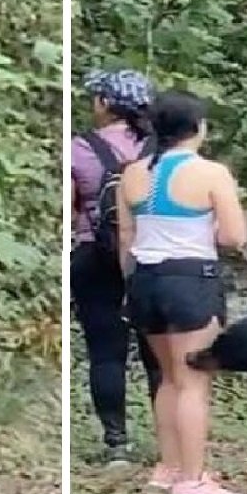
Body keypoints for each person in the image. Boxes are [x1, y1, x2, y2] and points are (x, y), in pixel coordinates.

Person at [117, 90, 247, 494]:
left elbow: (126, 237)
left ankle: (169, 468)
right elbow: (234, 236)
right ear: (198, 128)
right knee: (193, 381)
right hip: (190, 280)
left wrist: (134, 278)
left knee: (169, 378)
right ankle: (193, 480)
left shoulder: (132, 174)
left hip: (145, 280)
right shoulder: (211, 174)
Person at [70, 69, 163, 467]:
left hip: (95, 256)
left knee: (106, 353)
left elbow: (70, 206)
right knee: (157, 353)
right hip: (152, 257)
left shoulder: (80, 148)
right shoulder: (162, 150)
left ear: (107, 104)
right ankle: (170, 443)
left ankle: (116, 444)